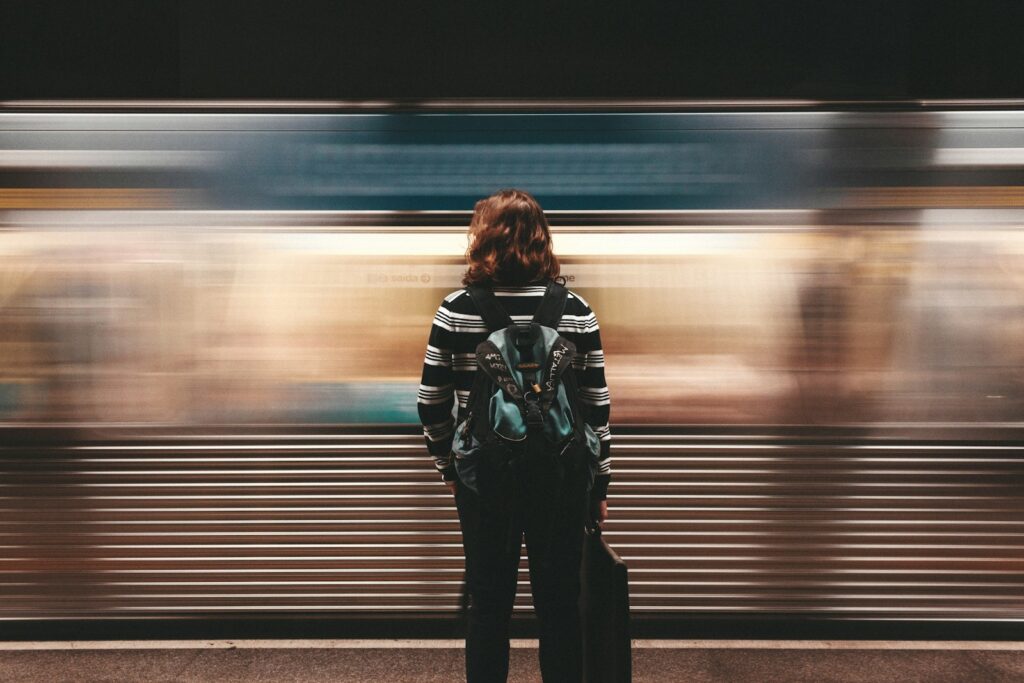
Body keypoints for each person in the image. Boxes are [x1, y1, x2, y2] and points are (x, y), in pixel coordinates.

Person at [417, 188, 611, 683]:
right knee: (560, 606)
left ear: (481, 239)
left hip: (485, 484)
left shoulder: (455, 309)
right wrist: (600, 484)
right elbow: (596, 407)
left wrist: (450, 469)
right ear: (543, 240)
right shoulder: (576, 310)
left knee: (488, 607)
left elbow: (430, 402)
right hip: (562, 481)